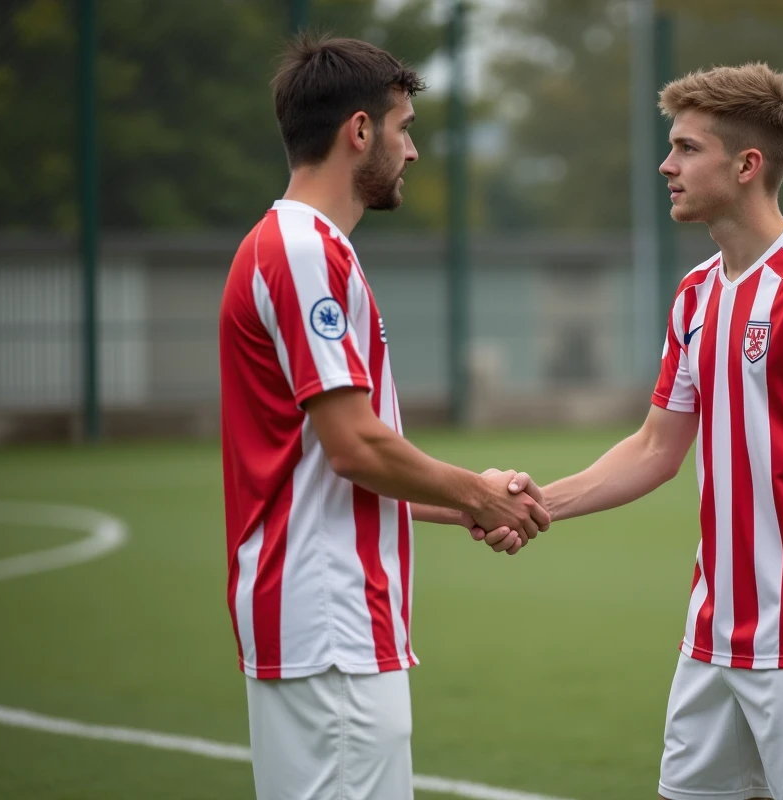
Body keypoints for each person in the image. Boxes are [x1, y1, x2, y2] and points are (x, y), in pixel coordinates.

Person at [486, 63, 783, 800]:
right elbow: (656, 447)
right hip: (711, 639)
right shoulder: (694, 296)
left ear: (747, 165)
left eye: (686, 148)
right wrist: (536, 506)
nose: (666, 165)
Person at [218, 34, 549, 800]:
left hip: (321, 621)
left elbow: (333, 459)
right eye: (404, 128)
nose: (414, 151)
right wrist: (478, 494)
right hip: (329, 623)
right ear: (359, 132)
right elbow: (355, 449)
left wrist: (471, 496)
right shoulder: (304, 252)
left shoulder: (299, 247)